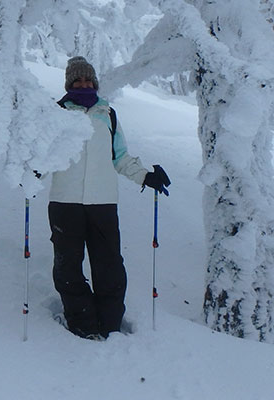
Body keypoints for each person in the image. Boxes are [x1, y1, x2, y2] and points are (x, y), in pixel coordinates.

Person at [46, 56, 171, 340]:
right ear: (69, 83)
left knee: (110, 266)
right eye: (78, 80)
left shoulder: (108, 114)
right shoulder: (57, 114)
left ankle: (110, 323)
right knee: (68, 267)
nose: (84, 84)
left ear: (95, 82)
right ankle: (83, 324)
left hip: (102, 203)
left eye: (88, 79)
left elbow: (121, 157)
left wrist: (146, 176)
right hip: (65, 203)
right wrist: (32, 174)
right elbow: (45, 155)